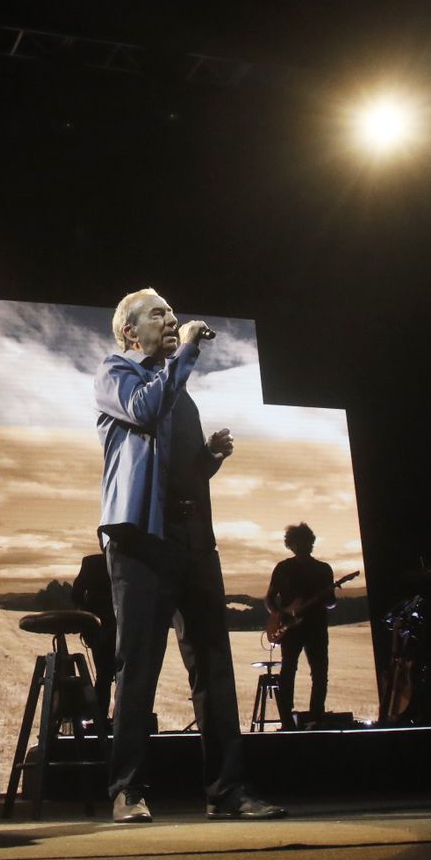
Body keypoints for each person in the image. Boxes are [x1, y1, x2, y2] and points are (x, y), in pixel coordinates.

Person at [94, 287, 284, 823]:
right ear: (131, 331)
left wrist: (210, 458)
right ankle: (127, 790)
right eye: (160, 314)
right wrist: (186, 356)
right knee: (138, 667)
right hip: (141, 540)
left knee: (214, 668)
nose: (172, 320)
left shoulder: (180, 389)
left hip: (194, 540)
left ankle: (228, 792)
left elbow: (180, 473)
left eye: (174, 315)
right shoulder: (116, 373)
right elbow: (145, 410)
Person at [266, 522, 336, 730]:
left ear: (310, 542)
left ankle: (316, 717)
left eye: (304, 541)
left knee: (320, 673)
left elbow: (331, 602)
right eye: (296, 542)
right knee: (288, 671)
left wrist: (325, 600)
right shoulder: (283, 568)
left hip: (316, 628)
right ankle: (286, 720)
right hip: (291, 629)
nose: (301, 546)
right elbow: (269, 599)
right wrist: (280, 614)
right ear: (291, 545)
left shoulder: (323, 570)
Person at [71, 551, 117, 723]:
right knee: (110, 675)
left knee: (103, 676)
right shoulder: (127, 562)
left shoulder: (91, 562)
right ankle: (111, 718)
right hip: (110, 627)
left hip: (100, 628)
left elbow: (76, 594)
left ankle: (101, 718)